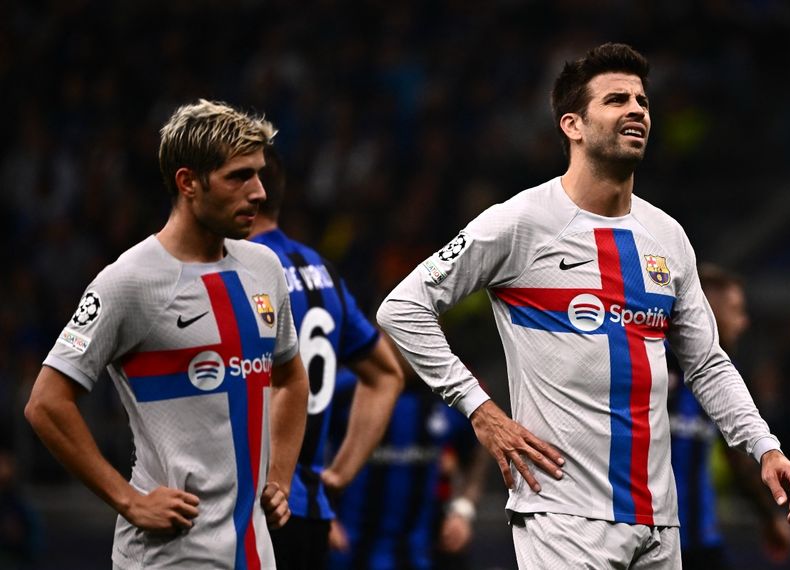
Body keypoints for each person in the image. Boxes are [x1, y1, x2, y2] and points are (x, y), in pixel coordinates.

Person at [376, 43, 790, 569]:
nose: (637, 110)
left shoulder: (666, 236)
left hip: (659, 523)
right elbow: (402, 307)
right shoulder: (519, 222)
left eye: (643, 101)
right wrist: (481, 411)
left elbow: (707, 362)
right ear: (572, 126)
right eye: (616, 100)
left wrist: (766, 448)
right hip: (562, 518)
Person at [24, 99, 310, 569]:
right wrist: (129, 500)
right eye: (238, 176)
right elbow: (46, 403)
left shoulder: (264, 268)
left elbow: (291, 379)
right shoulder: (129, 281)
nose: (258, 192)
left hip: (256, 555)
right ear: (188, 182)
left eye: (258, 174)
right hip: (169, 558)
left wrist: (278, 479)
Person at [249, 145, 404, 568]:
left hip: (256, 508)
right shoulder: (320, 269)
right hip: (311, 509)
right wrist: (339, 474)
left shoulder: (243, 270)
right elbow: (386, 374)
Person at [669, 264, 790, 569]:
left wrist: (769, 518)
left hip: (703, 540)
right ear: (708, 312)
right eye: (735, 310)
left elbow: (737, 458)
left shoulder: (724, 379)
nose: (744, 321)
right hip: (650, 537)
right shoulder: (654, 363)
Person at [326, 360, 490, 570]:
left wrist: (463, 510)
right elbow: (302, 443)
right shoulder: (345, 386)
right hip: (346, 552)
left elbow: (479, 448)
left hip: (421, 555)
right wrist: (322, 512)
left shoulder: (450, 387)